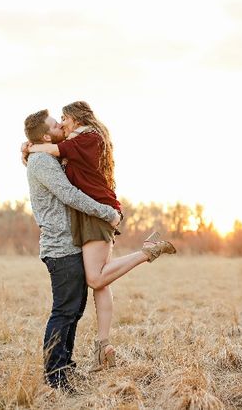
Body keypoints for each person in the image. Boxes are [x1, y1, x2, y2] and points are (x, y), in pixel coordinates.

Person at [25, 101, 176, 372]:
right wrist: (31, 149)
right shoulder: (70, 145)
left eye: (63, 119)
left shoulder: (85, 138)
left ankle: (148, 251)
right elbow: (54, 161)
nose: (61, 124)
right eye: (56, 122)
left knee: (95, 279)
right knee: (100, 283)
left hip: (97, 214)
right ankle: (101, 348)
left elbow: (55, 155)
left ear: (75, 118)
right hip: (89, 217)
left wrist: (31, 147)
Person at [23, 109, 121, 391]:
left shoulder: (45, 155)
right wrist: (106, 212)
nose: (60, 126)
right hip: (59, 247)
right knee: (64, 312)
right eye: (55, 125)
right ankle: (55, 377)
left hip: (69, 244)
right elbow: (70, 195)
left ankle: (65, 366)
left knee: (73, 312)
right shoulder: (41, 161)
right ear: (45, 135)